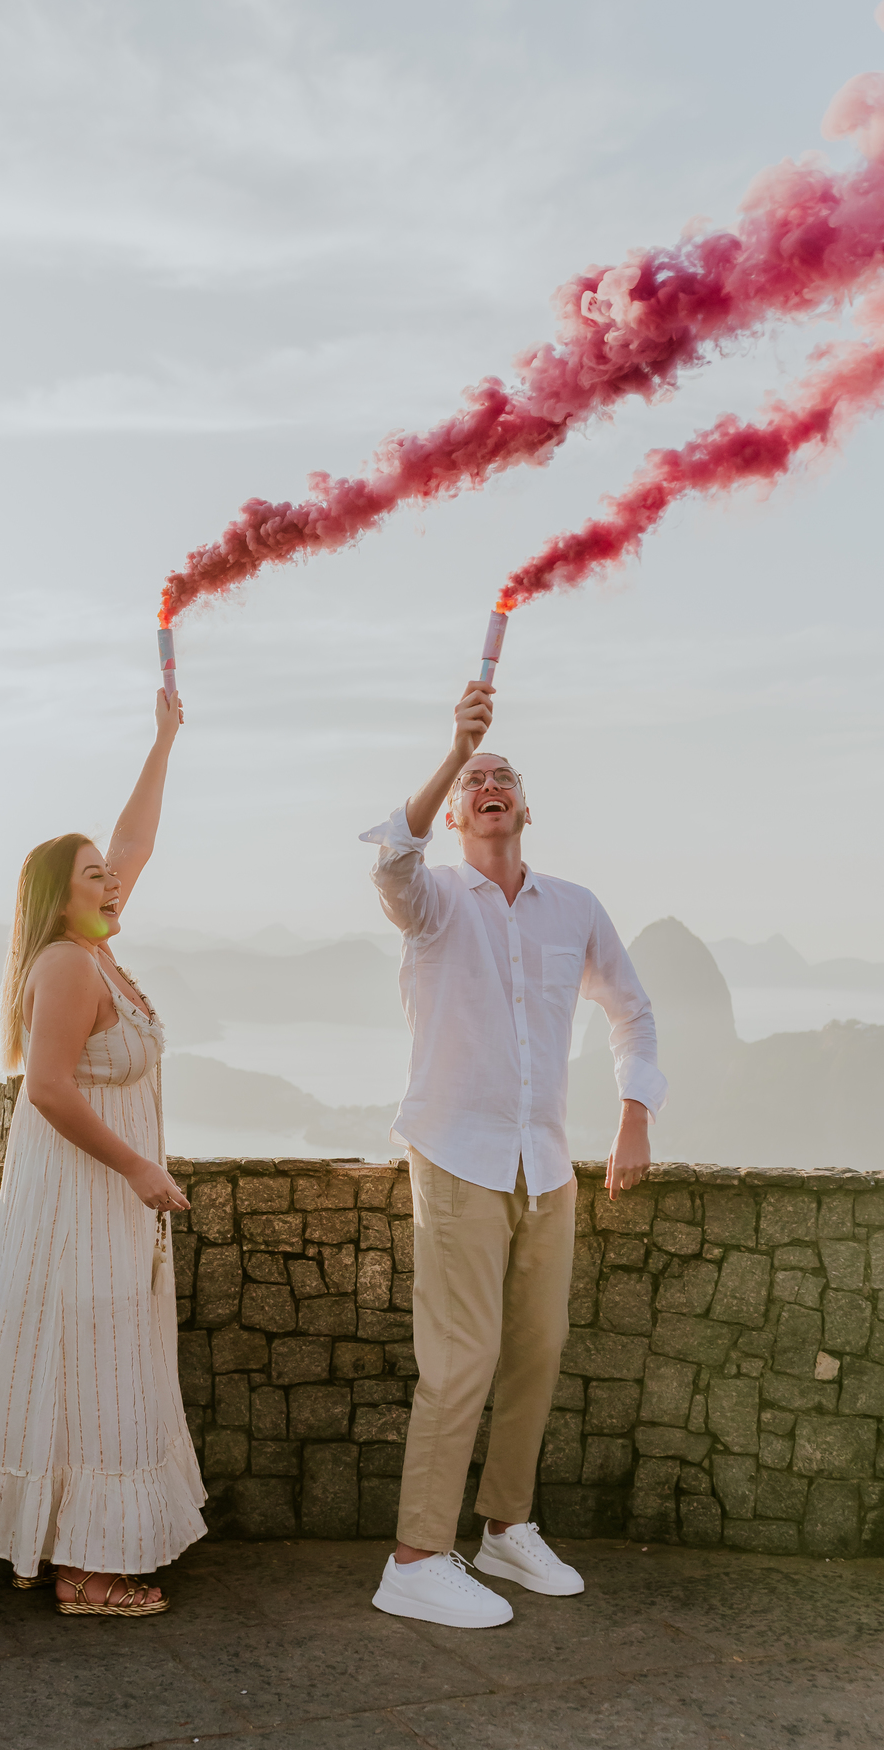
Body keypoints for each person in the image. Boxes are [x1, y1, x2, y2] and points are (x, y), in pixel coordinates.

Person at [363, 676, 666, 1630]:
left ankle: (505, 1528)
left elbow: (633, 1011)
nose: (490, 783)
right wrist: (456, 745)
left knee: (537, 1351)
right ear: (458, 812)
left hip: (546, 1164)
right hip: (455, 1157)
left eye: (503, 776)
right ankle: (414, 1558)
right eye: (475, 781)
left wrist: (634, 1115)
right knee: (462, 1358)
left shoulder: (574, 907)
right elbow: (390, 857)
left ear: (525, 807)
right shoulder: (433, 900)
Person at [0, 686, 205, 1617]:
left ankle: (90, 1551)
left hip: (102, 1198)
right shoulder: (68, 963)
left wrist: (163, 739)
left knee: (107, 1355)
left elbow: (136, 841)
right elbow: (49, 1089)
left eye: (109, 874)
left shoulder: (98, 945)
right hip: (83, 1198)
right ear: (60, 897)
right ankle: (83, 1569)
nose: (112, 880)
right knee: (91, 1357)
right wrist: (141, 1168)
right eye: (94, 875)